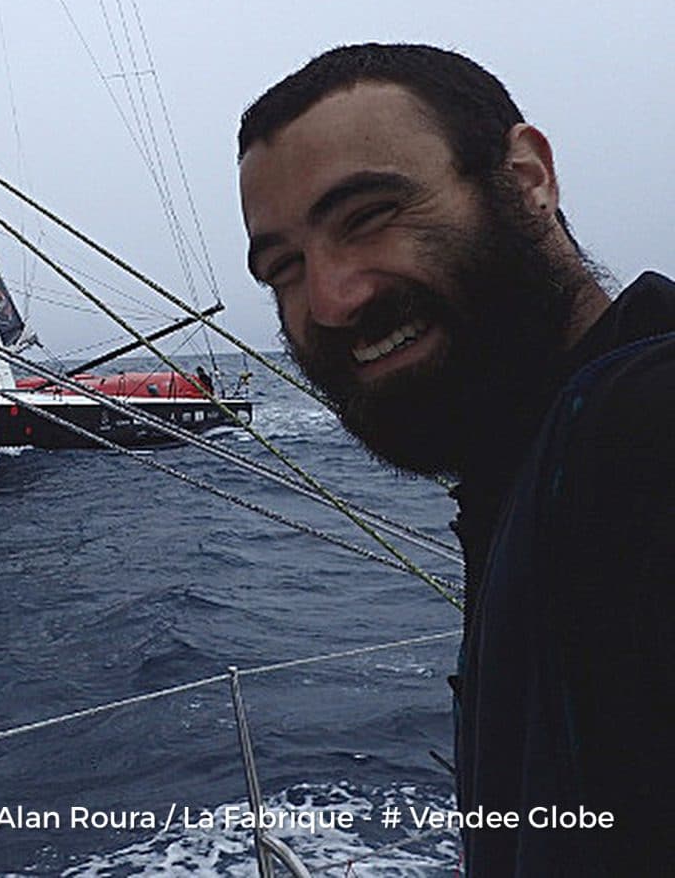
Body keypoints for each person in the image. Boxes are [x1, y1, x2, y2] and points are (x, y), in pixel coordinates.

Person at [234, 43, 673, 875]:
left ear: (527, 176)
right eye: (283, 269)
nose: (330, 300)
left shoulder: (646, 434)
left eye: (368, 215)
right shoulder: (534, 471)